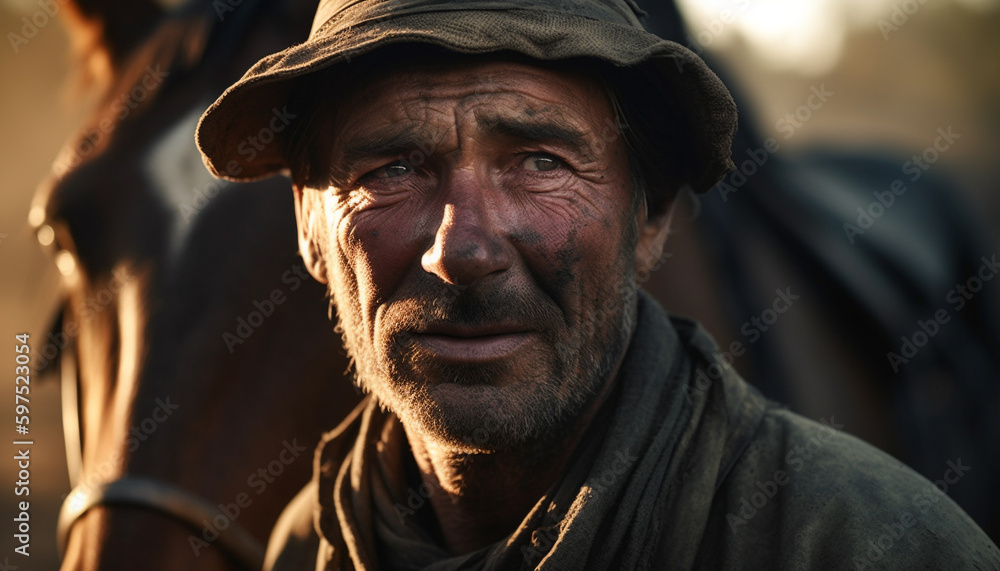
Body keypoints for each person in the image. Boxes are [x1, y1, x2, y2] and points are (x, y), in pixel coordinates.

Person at [195, 0, 1000, 568]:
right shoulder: (310, 543)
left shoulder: (866, 544)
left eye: (541, 161)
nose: (463, 248)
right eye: (393, 168)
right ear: (308, 225)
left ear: (649, 219)